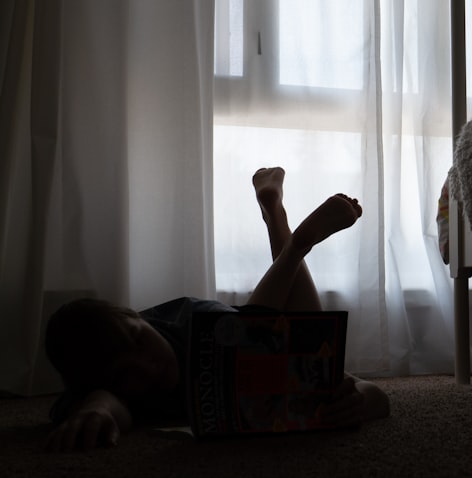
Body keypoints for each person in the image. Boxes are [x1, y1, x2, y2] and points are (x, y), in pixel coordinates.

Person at [43, 167, 390, 452]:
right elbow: (100, 404)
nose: (147, 365)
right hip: (228, 332)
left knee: (300, 343)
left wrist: (358, 401)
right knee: (288, 355)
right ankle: (275, 215)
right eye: (124, 375)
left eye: (138, 340)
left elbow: (373, 394)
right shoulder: (104, 387)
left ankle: (295, 242)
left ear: (137, 316)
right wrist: (98, 408)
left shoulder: (193, 326)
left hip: (214, 325)